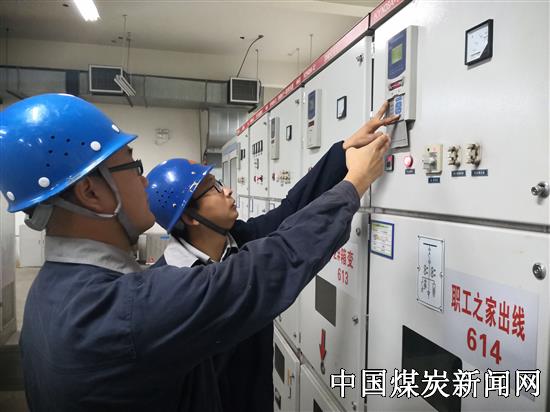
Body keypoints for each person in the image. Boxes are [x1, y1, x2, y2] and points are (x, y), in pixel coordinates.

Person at [0, 93, 391, 411]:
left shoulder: (50, 292)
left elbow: (284, 217)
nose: (143, 180)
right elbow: (266, 268)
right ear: (90, 192)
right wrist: (354, 184)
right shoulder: (130, 307)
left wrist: (342, 154)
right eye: (133, 166)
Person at [146, 102, 398, 412]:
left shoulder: (239, 240)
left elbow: (292, 209)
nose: (228, 191)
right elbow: (290, 252)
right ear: (190, 217)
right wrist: (354, 184)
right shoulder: (173, 289)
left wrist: (344, 150)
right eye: (214, 189)